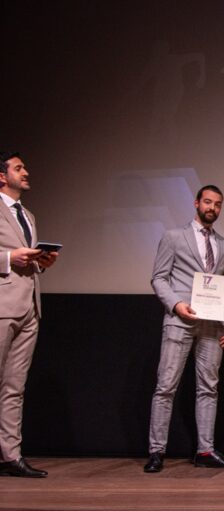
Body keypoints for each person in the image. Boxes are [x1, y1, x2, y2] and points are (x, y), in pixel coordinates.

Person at [144, 185, 224, 473]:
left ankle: (205, 450)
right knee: (166, 386)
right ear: (196, 203)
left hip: (212, 324)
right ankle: (156, 451)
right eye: (208, 202)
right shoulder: (174, 237)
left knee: (209, 388)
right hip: (180, 320)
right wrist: (176, 305)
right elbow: (159, 279)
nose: (212, 207)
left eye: (218, 204)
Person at [0, 151, 58, 478]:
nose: (25, 172)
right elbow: (9, 257)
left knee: (14, 386)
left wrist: (40, 262)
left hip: (29, 307)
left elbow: (29, 261)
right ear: (1, 175)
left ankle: (11, 455)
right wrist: (10, 258)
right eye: (18, 168)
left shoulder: (29, 215)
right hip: (3, 306)